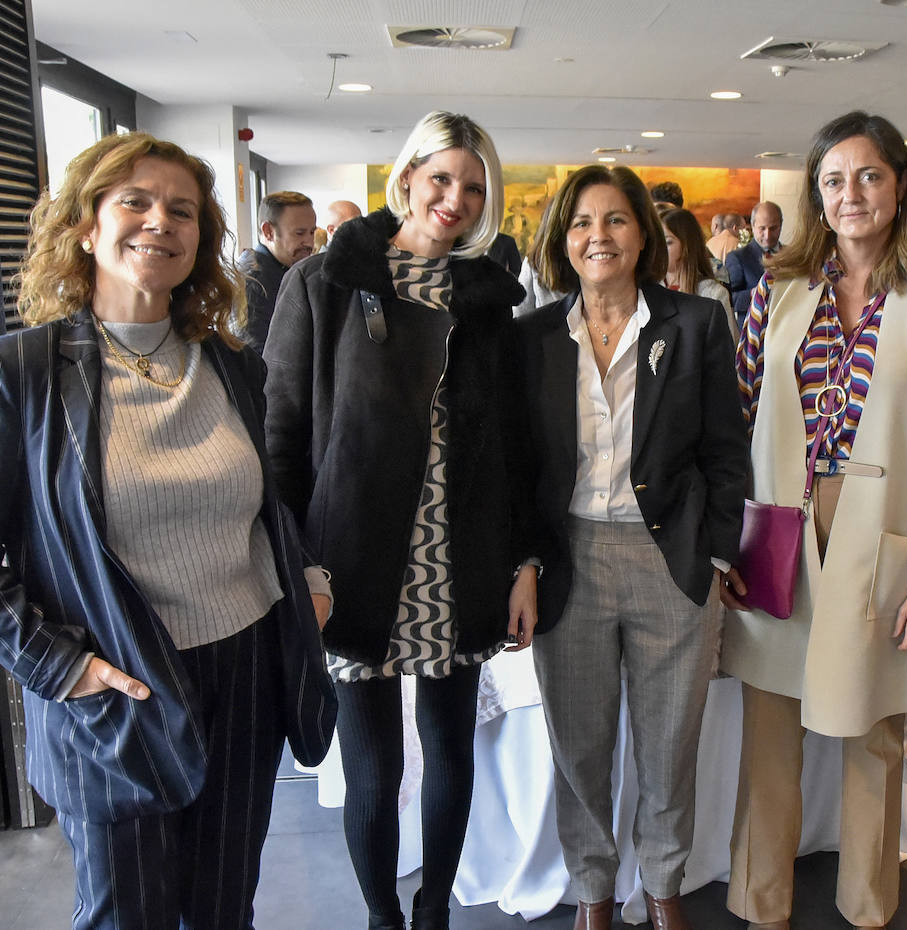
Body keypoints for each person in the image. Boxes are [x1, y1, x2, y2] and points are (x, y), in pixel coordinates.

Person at [0, 132, 336, 928]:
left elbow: (270, 500)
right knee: (129, 914)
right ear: (86, 224)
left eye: (181, 210)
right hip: (117, 683)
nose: (160, 222)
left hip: (247, 670)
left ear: (201, 240)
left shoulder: (231, 365)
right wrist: (59, 666)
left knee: (224, 909)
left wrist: (311, 581)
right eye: (135, 202)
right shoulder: (19, 371)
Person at [262, 110, 537, 930]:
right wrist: (297, 563)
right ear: (408, 174)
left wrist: (526, 558)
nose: (455, 198)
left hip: (460, 551)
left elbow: (518, 444)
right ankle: (383, 917)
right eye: (442, 177)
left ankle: (433, 916)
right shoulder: (326, 281)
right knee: (373, 766)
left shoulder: (488, 299)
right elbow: (281, 433)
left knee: (452, 747)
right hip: (351, 556)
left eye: (474, 187)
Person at [720, 110, 907, 930]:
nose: (851, 193)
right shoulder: (778, 290)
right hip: (780, 532)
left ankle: (868, 909)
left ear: (899, 184)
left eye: (868, 175)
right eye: (833, 179)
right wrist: (728, 542)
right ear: (816, 194)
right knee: (769, 734)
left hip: (882, 532)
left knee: (871, 738)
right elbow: (739, 413)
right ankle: (762, 908)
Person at [517, 164, 747, 930]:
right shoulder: (535, 337)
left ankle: (664, 885)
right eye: (582, 222)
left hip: (669, 560)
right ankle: (592, 891)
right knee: (579, 747)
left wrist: (715, 557)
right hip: (569, 560)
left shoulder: (696, 322)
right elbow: (518, 467)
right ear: (563, 239)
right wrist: (522, 565)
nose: (598, 236)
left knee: (668, 743)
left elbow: (725, 449)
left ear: (644, 235)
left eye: (615, 220)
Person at [237, 189, 316, 352]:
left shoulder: (286, 270)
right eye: (299, 233)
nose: (309, 242)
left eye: (312, 232)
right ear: (268, 232)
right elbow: (255, 354)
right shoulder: (253, 281)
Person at [662, 207, 735, 334]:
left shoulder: (712, 295)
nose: (659, 249)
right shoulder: (648, 289)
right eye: (656, 241)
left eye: (668, 242)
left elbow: (725, 349)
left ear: (687, 244)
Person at [725, 201, 783, 327]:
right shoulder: (738, 258)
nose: (767, 235)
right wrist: (754, 293)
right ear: (752, 226)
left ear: (781, 225)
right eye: (762, 228)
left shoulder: (792, 256)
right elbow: (730, 299)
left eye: (773, 228)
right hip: (753, 334)